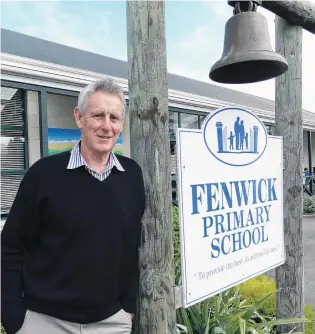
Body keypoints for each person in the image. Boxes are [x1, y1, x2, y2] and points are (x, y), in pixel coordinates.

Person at [1, 77, 145, 334]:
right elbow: (11, 248)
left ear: (122, 124)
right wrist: (13, 318)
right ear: (79, 118)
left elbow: (132, 246)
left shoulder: (132, 176)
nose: (106, 126)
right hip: (45, 322)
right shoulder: (43, 175)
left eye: (114, 118)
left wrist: (128, 306)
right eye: (98, 115)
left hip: (111, 323)